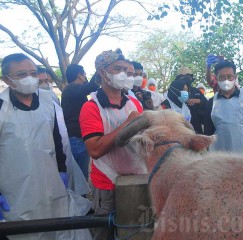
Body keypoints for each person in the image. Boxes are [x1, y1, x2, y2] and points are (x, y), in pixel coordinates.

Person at [0, 53, 91, 239]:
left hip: (52, 182)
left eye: (33, 73)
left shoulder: (47, 100)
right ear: (6, 80)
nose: (29, 78)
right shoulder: (2, 107)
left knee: (61, 227)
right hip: (16, 190)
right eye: (21, 74)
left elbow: (57, 140)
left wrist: (62, 170)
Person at [79, 49, 146, 239]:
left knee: (136, 228)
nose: (124, 74)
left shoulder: (134, 104)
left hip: (137, 177)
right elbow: (95, 149)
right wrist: (127, 124)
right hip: (108, 183)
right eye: (118, 69)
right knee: (105, 230)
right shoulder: (91, 107)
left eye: (126, 70)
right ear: (102, 72)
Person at [204, 60, 243, 165]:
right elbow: (208, 131)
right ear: (216, 78)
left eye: (229, 77)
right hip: (220, 154)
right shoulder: (211, 103)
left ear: (235, 77)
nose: (226, 80)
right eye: (222, 77)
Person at [62, 64, 99, 180]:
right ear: (80, 75)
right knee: (79, 177)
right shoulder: (72, 88)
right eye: (84, 74)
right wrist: (101, 67)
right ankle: (79, 198)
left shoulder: (72, 90)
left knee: (79, 176)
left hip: (77, 138)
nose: (85, 77)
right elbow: (91, 87)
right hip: (76, 139)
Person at [176, 67, 208, 134]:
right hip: (180, 130)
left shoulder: (196, 91)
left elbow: (207, 105)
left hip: (197, 129)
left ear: (191, 78)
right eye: (183, 77)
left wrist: (198, 101)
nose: (186, 79)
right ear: (178, 79)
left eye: (188, 76)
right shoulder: (174, 92)